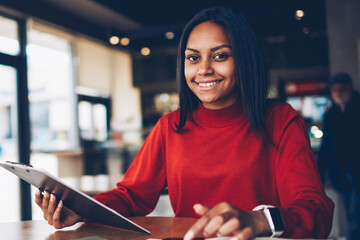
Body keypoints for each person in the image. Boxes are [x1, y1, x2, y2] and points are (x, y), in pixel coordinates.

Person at [35, 7, 334, 239]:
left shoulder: (281, 120)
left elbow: (315, 211)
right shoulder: (171, 126)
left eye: (219, 56)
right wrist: (82, 211)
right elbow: (131, 196)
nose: (204, 69)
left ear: (243, 59)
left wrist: (259, 221)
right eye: (193, 58)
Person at [318, 72, 360, 240]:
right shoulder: (331, 114)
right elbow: (326, 147)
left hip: (358, 171)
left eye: (340, 89)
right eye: (333, 90)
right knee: (351, 214)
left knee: (356, 214)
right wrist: (318, 174)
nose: (337, 93)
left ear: (349, 87)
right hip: (342, 174)